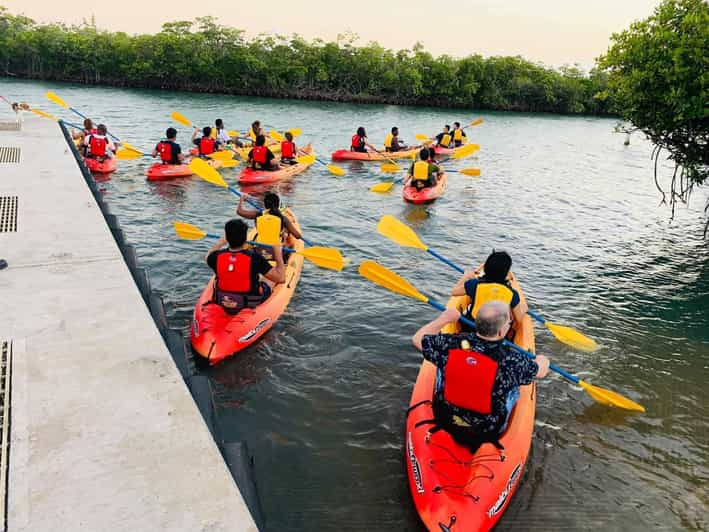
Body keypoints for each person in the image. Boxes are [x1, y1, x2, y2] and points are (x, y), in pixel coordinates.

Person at [412, 301, 550, 452]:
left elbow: (417, 339)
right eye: (509, 323)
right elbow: (541, 372)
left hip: (446, 418)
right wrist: (542, 360)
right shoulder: (513, 360)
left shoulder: (450, 342)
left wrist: (444, 319)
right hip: (486, 429)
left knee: (440, 364)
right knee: (516, 386)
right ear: (501, 331)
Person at [205, 219, 285, 313]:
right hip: (249, 302)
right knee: (268, 280)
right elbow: (281, 278)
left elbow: (207, 256)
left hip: (222, 299)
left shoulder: (215, 257)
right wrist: (277, 253)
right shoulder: (255, 258)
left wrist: (220, 243)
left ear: (226, 237)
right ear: (245, 238)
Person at [450, 250, 529, 326]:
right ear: (506, 273)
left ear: (486, 268)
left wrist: (465, 276)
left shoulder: (474, 284)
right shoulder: (512, 294)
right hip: (495, 333)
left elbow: (454, 292)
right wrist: (524, 309)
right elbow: (519, 319)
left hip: (473, 327)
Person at [237, 191, 302, 242]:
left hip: (259, 246)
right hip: (276, 249)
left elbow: (239, 211)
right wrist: (286, 230)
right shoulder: (283, 218)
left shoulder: (258, 214)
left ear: (265, 205)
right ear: (278, 205)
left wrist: (241, 200)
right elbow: (297, 236)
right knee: (283, 235)